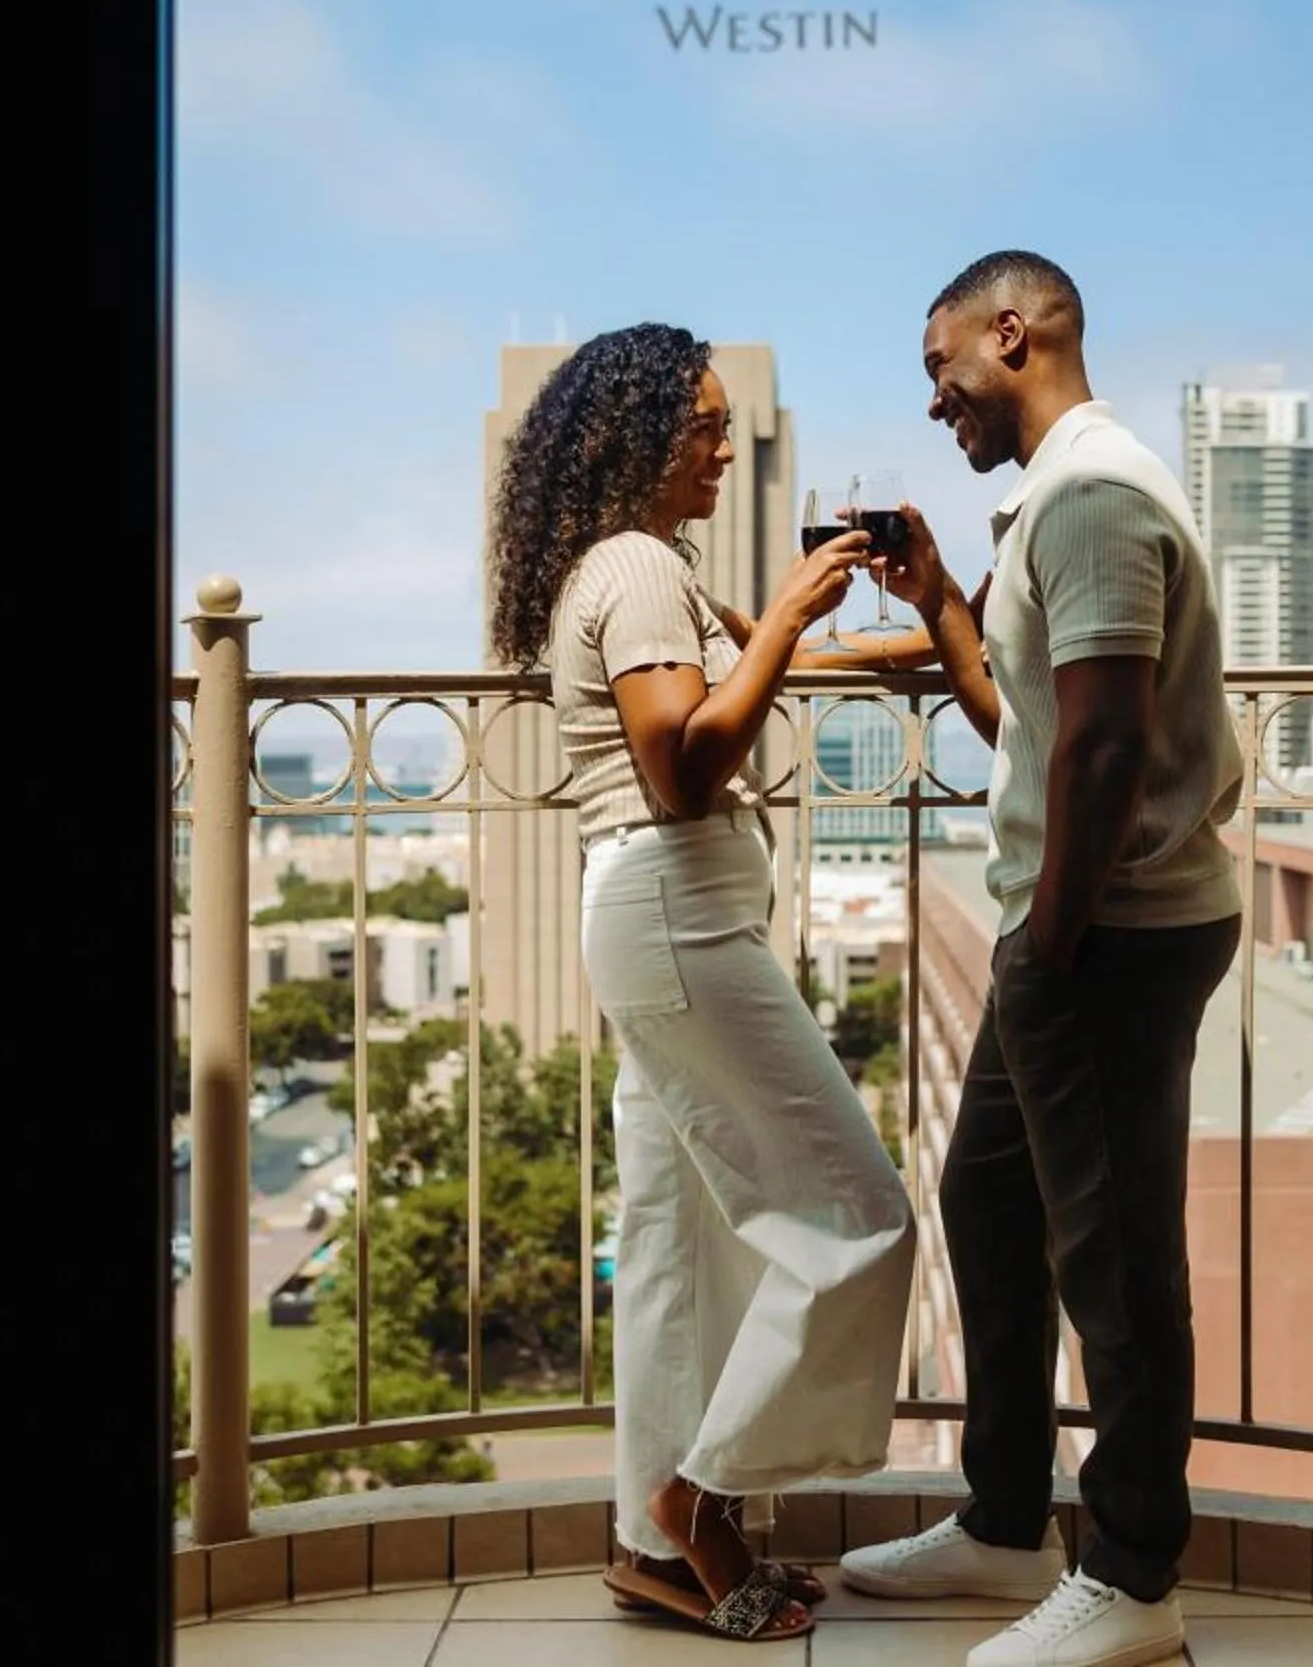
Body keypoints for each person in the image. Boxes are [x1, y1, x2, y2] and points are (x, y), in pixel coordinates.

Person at [836, 253, 1245, 1667]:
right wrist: (944, 592)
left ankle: (1134, 1579)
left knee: (1117, 1255)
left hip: (1108, 936)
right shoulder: (1054, 510)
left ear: (1013, 334)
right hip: (1067, 928)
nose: (936, 398)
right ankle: (1006, 1524)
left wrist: (1056, 939)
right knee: (990, 1208)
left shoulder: (1093, 500)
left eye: (942, 365)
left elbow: (1112, 742)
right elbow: (1029, 720)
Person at [488, 322, 920, 1645]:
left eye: (731, 425)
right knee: (859, 1214)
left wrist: (941, 625)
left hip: (655, 916)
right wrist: (788, 613)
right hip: (674, 914)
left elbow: (779, 673)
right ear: (631, 438)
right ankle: (701, 1499)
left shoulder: (636, 569)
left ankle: (649, 1549)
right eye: (704, 427)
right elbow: (682, 765)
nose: (725, 448)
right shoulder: (636, 571)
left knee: (677, 1247)